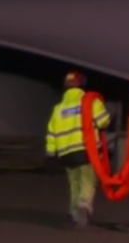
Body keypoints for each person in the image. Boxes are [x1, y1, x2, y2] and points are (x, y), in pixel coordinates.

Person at [45, 70, 111, 229]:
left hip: (66, 154)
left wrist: (50, 154)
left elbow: (51, 133)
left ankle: (74, 216)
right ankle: (84, 207)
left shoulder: (58, 109)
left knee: (74, 184)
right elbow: (103, 122)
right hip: (86, 151)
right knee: (88, 182)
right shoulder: (90, 102)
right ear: (82, 84)